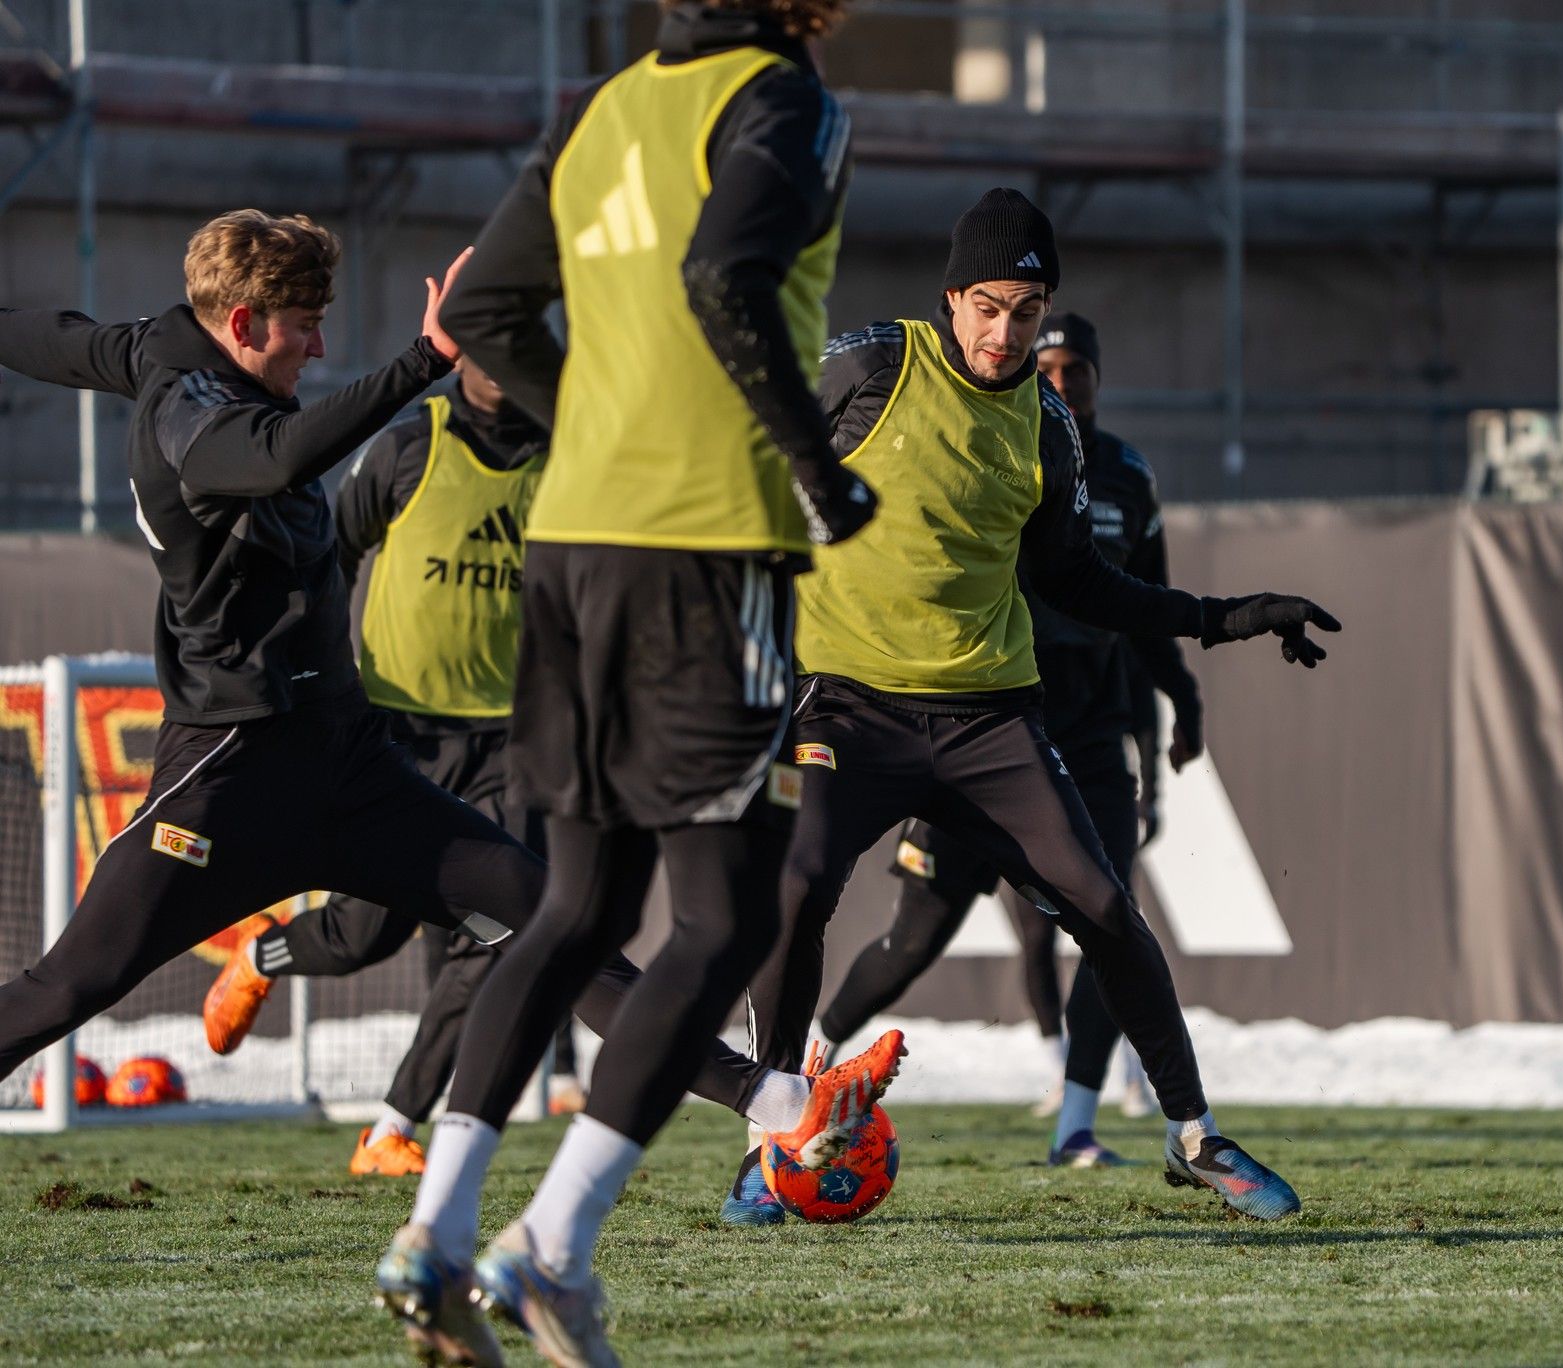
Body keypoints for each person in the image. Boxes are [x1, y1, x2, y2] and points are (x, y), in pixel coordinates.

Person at [374, 3, 898, 1364]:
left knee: (576, 905)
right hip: (705, 550)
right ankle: (548, 1249)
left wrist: (590, 419)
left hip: (571, 550)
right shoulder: (784, 97)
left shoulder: (601, 104)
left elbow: (483, 310)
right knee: (721, 919)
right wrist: (814, 465)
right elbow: (729, 276)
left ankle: (431, 1234)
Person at [687, 187, 1339, 1231]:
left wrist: (1228, 615)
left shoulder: (1045, 428)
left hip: (990, 718)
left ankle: (1191, 1135)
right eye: (989, 306)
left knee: (1107, 910)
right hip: (846, 708)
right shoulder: (869, 368)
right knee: (799, 885)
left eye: (1027, 313)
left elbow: (1081, 583)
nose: (1005, 333)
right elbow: (741, 467)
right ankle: (774, 1141)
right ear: (952, 297)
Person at [0, 211, 634, 1133]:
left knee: (557, 922)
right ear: (247, 322)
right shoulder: (190, 408)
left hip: (349, 759)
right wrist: (423, 360)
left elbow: (56, 338)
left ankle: (778, 1104)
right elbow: (278, 456)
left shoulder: (161, 348)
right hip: (230, 768)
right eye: (304, 325)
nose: (321, 346)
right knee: (68, 987)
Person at [807, 310, 1204, 1178]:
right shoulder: (991, 431)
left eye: (1075, 369)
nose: (1058, 381)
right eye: (1048, 366)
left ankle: (1080, 1122)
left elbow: (1141, 601)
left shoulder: (1129, 477)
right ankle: (813, 1057)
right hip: (976, 717)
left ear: (1098, 379)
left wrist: (1180, 699)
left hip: (1088, 733)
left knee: (1105, 915)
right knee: (914, 938)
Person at [198, 356, 583, 1178]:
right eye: (481, 338)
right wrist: (315, 683)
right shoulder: (412, 448)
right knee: (364, 937)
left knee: (504, 930)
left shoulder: (564, 462)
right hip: (399, 733)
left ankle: (391, 1130)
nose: (498, 360)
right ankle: (264, 953)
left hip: (512, 743)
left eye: (511, 339)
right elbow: (326, 555)